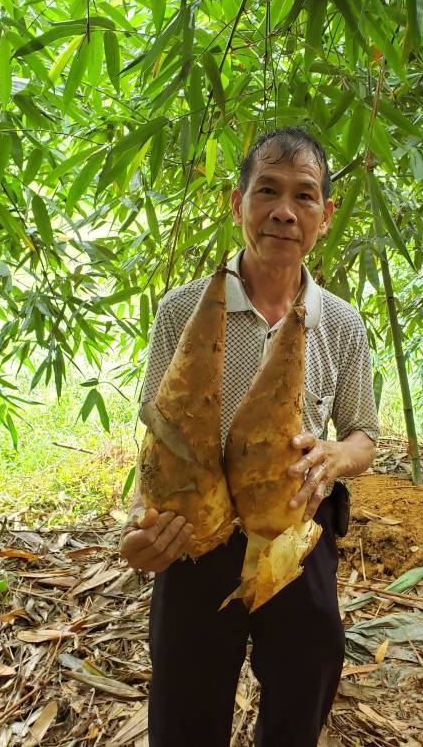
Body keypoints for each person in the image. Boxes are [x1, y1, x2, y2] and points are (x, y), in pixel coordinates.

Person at [120, 127, 379, 747]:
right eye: (267, 190)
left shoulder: (339, 321)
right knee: (185, 690)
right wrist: (138, 521)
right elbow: (158, 436)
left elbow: (364, 433)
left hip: (291, 526)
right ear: (237, 203)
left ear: (325, 215)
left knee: (308, 672)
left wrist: (334, 456)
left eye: (304, 196)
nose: (284, 212)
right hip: (195, 534)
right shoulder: (185, 308)